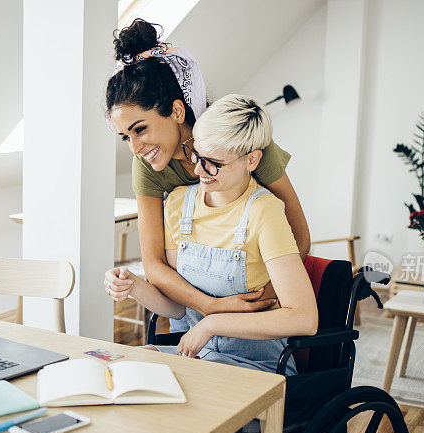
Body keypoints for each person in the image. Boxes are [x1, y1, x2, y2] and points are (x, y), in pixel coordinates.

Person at [101, 94, 318, 433]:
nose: (199, 172)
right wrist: (137, 287)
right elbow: (178, 307)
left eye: (214, 164)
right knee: (115, 396)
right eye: (196, 157)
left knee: (146, 414)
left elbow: (303, 318)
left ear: (252, 159)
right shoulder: (180, 202)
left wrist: (215, 321)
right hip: (194, 360)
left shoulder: (265, 213)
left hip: (253, 368)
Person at [104, 19, 311, 318]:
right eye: (125, 137)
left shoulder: (242, 142)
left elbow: (299, 235)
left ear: (176, 111)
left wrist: (254, 304)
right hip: (197, 312)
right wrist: (210, 307)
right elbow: (154, 264)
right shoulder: (147, 167)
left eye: (140, 129)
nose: (135, 148)